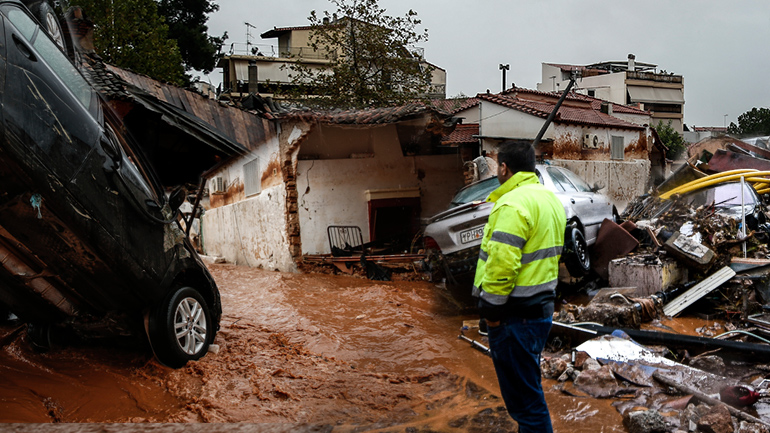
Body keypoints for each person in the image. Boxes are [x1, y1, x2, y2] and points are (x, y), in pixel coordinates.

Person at [472, 141, 566, 433]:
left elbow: (502, 264)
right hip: (539, 310)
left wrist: (491, 312)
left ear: (504, 168)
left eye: (498, 167)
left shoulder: (512, 204)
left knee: (525, 405)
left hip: (514, 316)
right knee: (529, 391)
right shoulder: (549, 199)